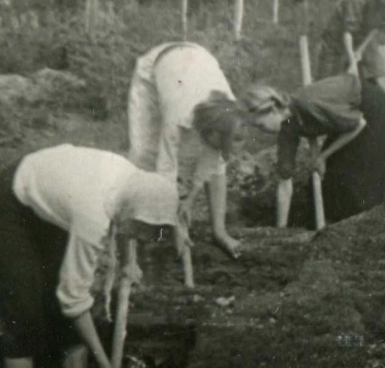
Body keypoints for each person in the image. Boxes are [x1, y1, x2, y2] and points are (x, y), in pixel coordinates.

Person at [0, 144, 178, 368]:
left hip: (58, 200)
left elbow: (126, 219)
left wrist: (128, 261)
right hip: (14, 196)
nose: (141, 239)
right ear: (133, 214)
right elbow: (73, 299)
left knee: (66, 322)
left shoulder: (134, 184)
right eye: (141, 229)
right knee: (24, 315)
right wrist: (105, 363)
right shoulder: (93, 218)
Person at [244, 75, 385, 228]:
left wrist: (322, 156)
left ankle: (371, 226)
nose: (261, 130)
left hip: (371, 108)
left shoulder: (308, 104)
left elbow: (358, 124)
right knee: (333, 177)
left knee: (359, 180)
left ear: (274, 110)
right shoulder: (287, 127)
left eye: (260, 125)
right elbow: (285, 181)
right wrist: (280, 229)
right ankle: (336, 227)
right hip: (346, 119)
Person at [127, 42, 244, 259]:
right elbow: (167, 171)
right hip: (154, 69)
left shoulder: (229, 113)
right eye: (215, 141)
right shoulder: (177, 114)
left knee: (210, 161)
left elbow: (214, 164)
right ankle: (138, 231)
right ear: (209, 129)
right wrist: (177, 226)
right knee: (143, 153)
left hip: (195, 63)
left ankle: (219, 232)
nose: (215, 148)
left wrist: (190, 200)